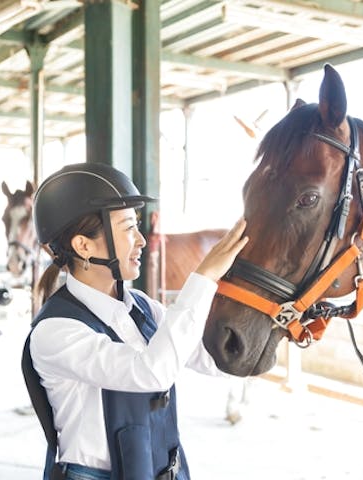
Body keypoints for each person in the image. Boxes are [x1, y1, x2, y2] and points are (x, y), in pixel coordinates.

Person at [21, 162, 248, 480]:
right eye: (128, 228)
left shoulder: (141, 308)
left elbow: (214, 361)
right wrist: (203, 277)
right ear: (83, 246)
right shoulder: (55, 332)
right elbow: (151, 372)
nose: (141, 240)